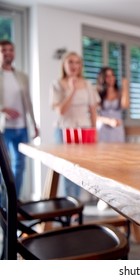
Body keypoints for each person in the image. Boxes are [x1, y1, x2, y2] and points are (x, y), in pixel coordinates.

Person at [50, 51, 100, 198]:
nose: (74, 65)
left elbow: (93, 109)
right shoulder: (57, 84)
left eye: (77, 62)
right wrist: (71, 90)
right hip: (64, 130)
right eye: (70, 62)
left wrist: (94, 130)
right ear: (64, 65)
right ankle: (70, 204)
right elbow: (60, 111)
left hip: (84, 130)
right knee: (67, 170)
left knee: (81, 170)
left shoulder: (87, 84)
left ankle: (77, 204)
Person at [0, 40, 39, 198]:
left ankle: (13, 201)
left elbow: (28, 101)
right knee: (4, 168)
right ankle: (4, 204)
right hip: (3, 128)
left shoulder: (22, 76)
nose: (8, 53)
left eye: (11, 49)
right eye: (4, 50)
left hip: (22, 127)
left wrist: (34, 124)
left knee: (20, 166)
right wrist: (3, 109)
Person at [96, 66, 129, 143]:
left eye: (112, 75)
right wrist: (109, 121)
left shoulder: (119, 92)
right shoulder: (98, 92)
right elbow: (95, 115)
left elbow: (125, 105)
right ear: (102, 78)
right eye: (107, 76)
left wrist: (125, 87)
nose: (111, 78)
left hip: (117, 128)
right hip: (103, 128)